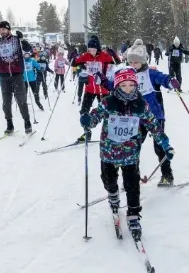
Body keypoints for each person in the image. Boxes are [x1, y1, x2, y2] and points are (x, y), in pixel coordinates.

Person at [80, 67, 174, 240]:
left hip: (130, 153)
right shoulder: (108, 102)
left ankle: (133, 215)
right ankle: (113, 196)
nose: (129, 88)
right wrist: (88, 119)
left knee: (132, 186)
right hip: (108, 151)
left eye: (132, 85)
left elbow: (153, 125)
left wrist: (165, 143)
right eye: (124, 85)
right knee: (108, 179)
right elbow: (96, 115)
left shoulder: (140, 105)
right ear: (117, 86)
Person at [125, 39, 179, 186]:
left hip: (155, 116)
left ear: (143, 61)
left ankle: (167, 175)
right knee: (133, 147)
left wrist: (170, 81)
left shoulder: (151, 73)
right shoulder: (127, 74)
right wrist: (103, 81)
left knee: (160, 147)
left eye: (136, 62)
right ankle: (132, 176)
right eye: (130, 62)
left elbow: (162, 78)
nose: (133, 65)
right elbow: (115, 84)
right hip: (136, 118)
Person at [0, 21, 34, 134]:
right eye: (0, 30)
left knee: (21, 101)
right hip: (4, 76)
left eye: (4, 29)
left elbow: (28, 49)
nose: (2, 31)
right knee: (6, 102)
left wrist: (22, 39)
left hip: (17, 74)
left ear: (9, 29)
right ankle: (9, 124)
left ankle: (27, 122)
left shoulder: (16, 40)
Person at [72, 35, 116, 141]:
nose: (91, 51)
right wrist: (75, 60)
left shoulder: (104, 56)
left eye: (94, 49)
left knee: (108, 112)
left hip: (103, 89)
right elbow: (76, 63)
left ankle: (110, 134)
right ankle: (87, 132)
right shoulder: (86, 56)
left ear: (98, 49)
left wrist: (110, 65)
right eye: (90, 49)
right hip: (90, 89)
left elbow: (113, 64)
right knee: (84, 112)